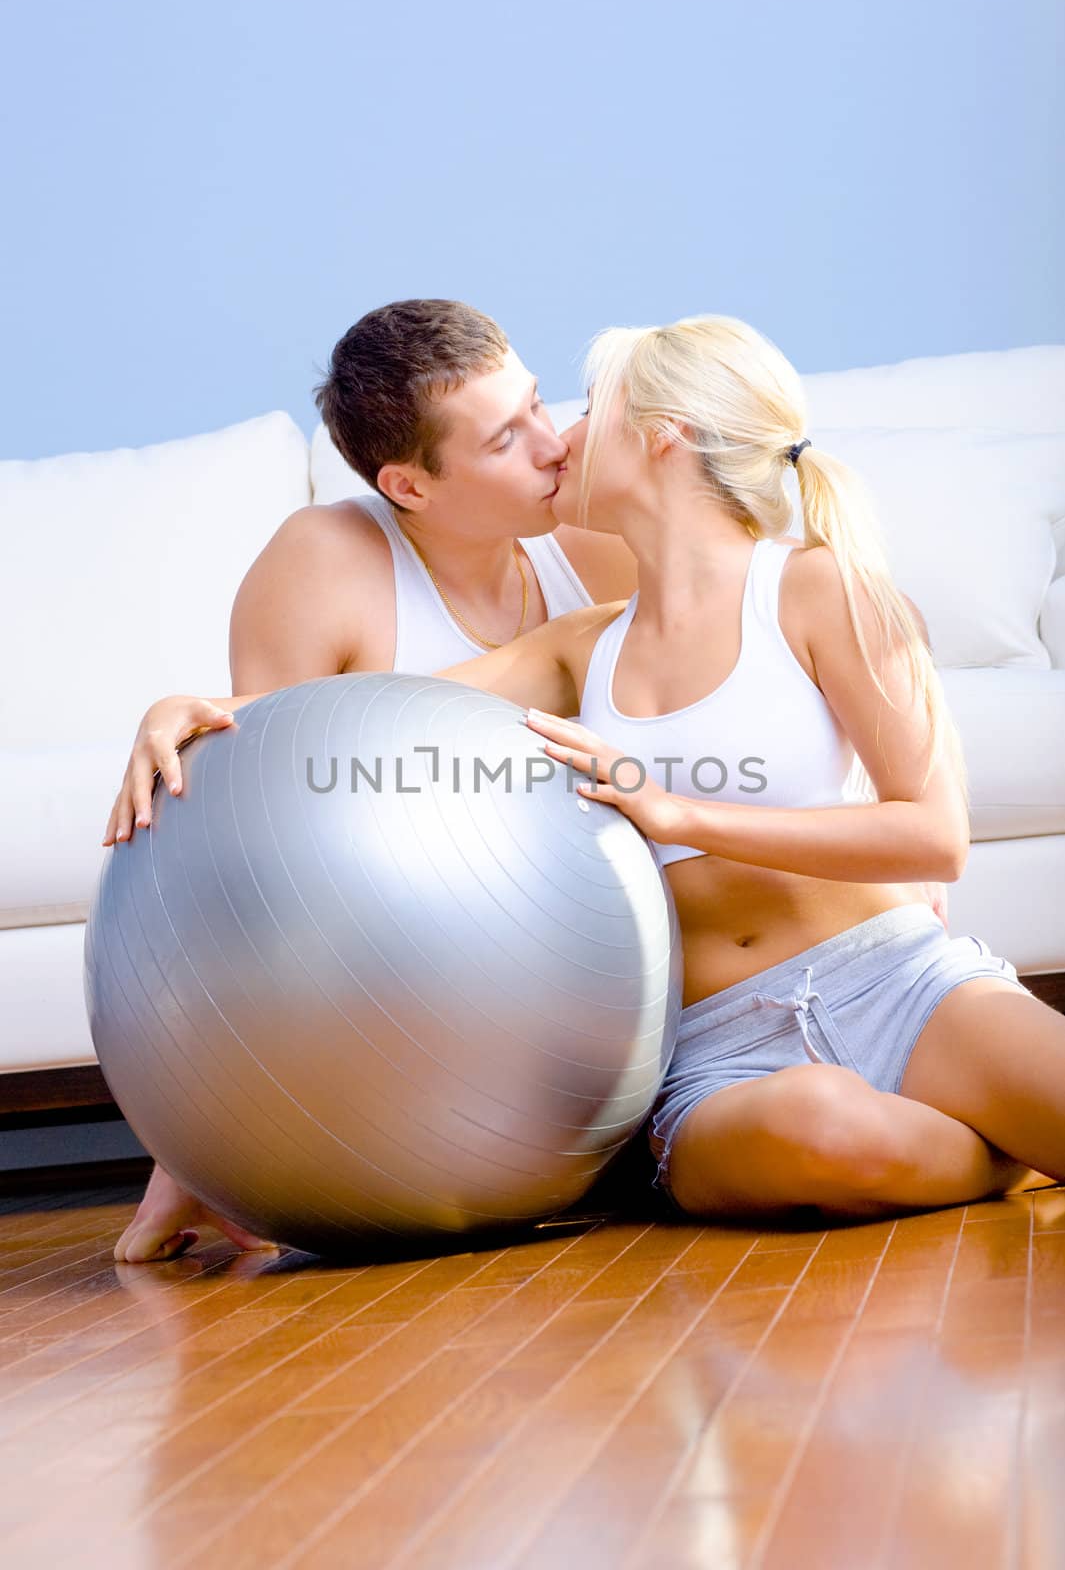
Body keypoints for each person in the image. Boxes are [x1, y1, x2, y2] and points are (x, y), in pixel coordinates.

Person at [106, 310, 962, 1258]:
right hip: (464, 1022)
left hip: (652, 979)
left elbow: (756, 687)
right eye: (505, 438)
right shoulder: (323, 564)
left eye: (538, 406)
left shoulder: (591, 539)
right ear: (410, 484)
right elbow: (266, 851)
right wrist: (201, 1140)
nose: (554, 444)